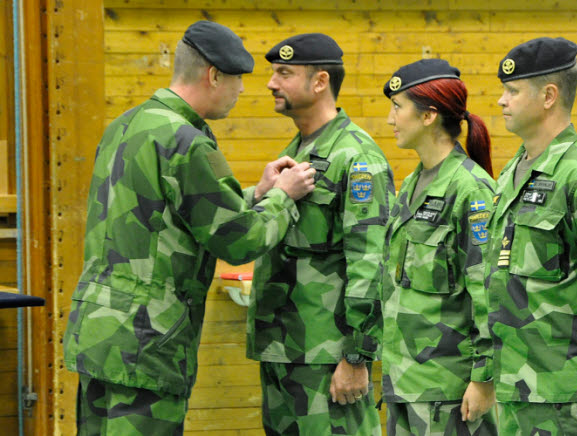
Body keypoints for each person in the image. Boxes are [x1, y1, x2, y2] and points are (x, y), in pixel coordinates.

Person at [63, 20, 315, 435]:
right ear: (214, 75)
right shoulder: (186, 141)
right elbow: (239, 241)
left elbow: (164, 212)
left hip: (98, 330)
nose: (241, 91)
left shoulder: (127, 124)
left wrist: (254, 194)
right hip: (147, 339)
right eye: (237, 80)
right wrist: (284, 197)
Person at [248, 33, 394, 435]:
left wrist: (357, 356)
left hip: (327, 358)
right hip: (284, 348)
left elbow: (372, 261)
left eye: (284, 73)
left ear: (319, 82)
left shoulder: (355, 156)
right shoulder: (300, 149)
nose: (271, 83)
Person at [485, 37, 577, 435]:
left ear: (548, 96)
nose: (501, 101)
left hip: (566, 395)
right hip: (514, 385)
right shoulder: (512, 172)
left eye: (512, 91)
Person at [379, 58, 497, 436]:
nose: (389, 119)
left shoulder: (469, 189)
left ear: (429, 116)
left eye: (398, 107)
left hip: (449, 390)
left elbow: (488, 293)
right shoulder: (414, 182)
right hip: (406, 382)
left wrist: (483, 379)